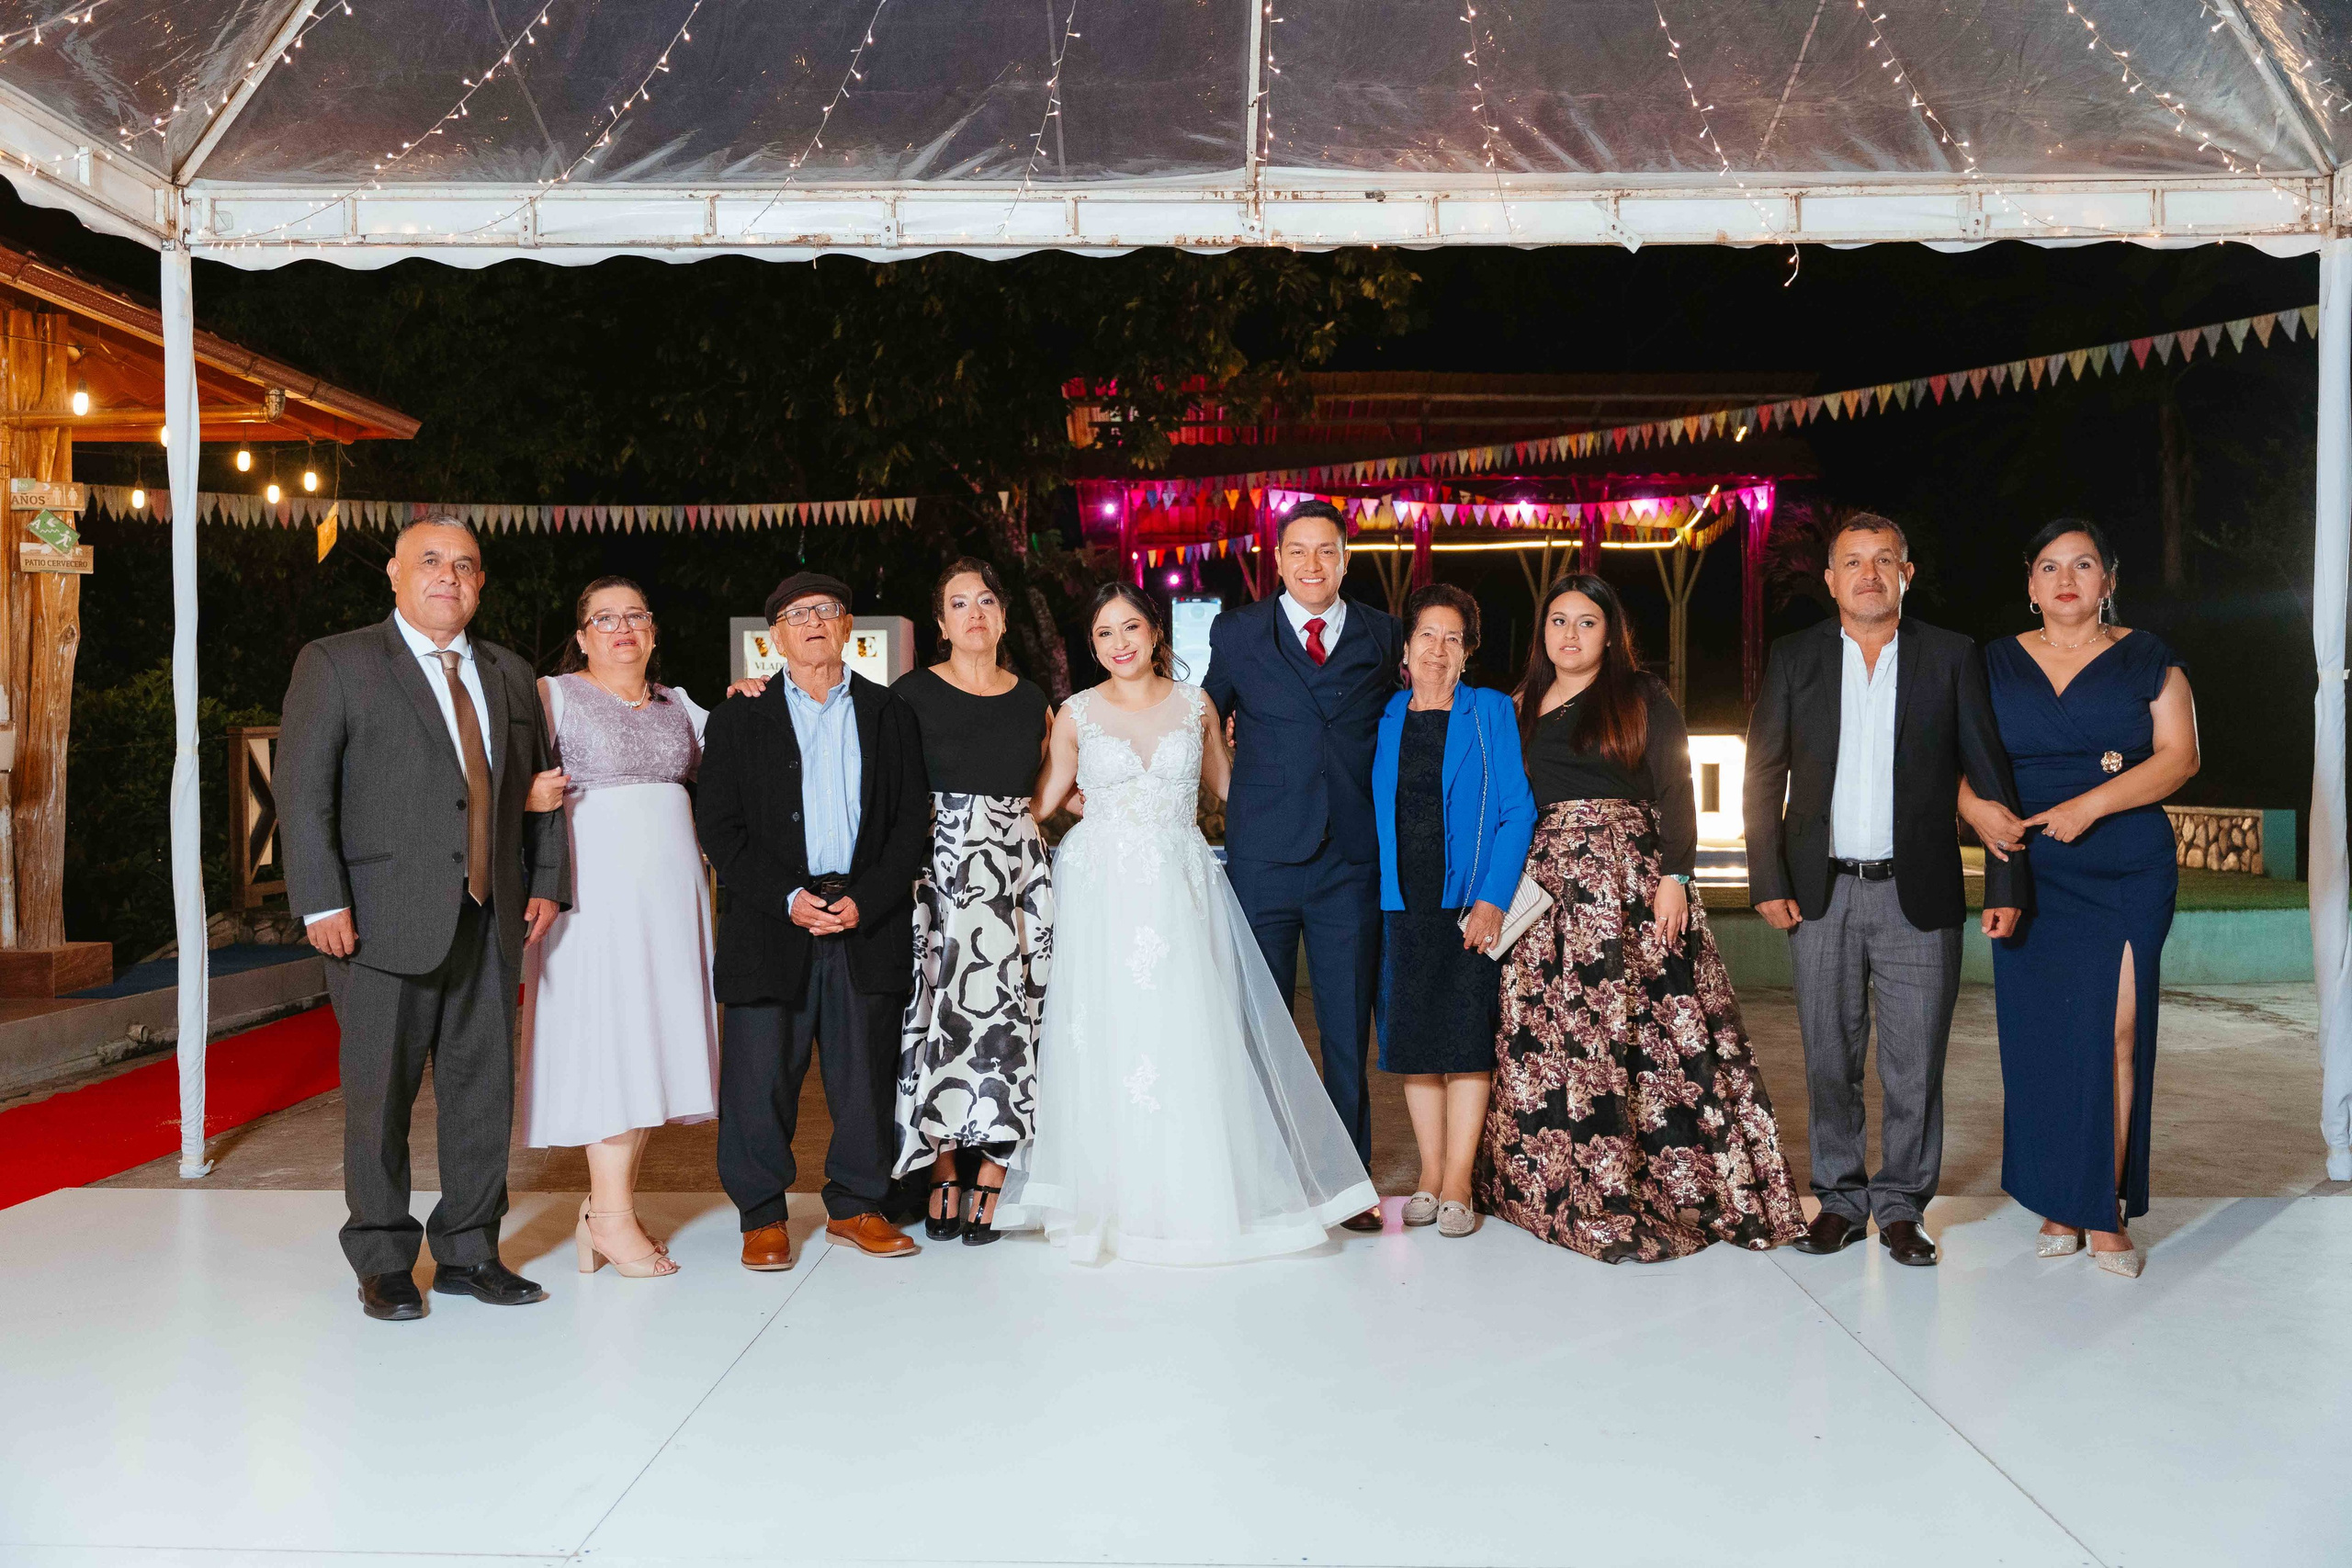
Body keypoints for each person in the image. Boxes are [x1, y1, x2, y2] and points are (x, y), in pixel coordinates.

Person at [998, 583, 1376, 1264]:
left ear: (1154, 632)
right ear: (1093, 646)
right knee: (1109, 1029)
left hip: (1181, 879)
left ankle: (1190, 1192)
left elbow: (1232, 790)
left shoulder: (1194, 704)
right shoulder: (1076, 713)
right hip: (1101, 887)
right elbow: (1045, 799)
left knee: (1187, 1025)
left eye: (1131, 626)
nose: (1120, 642)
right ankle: (1107, 1193)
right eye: (1106, 633)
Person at [277, 517, 570, 1323]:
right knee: (380, 1096)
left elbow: (536, 789)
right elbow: (304, 791)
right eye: (432, 561)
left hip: (489, 913)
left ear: (482, 584)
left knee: (482, 1095)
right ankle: (382, 1257)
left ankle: (470, 1249)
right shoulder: (337, 662)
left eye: (466, 565)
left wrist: (544, 879)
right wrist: (320, 897)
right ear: (396, 575)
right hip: (376, 919)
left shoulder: (509, 672)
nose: (450, 575)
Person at [1479, 575, 1804, 1261]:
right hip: (1545, 895)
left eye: (1587, 622)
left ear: (1611, 632)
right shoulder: (1517, 707)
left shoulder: (1641, 698)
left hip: (1630, 886)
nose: (1570, 634)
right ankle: (1550, 1187)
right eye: (1558, 620)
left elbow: (1676, 789)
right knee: (1550, 1037)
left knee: (1656, 1040)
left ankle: (1664, 1187)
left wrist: (1675, 877)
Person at [1745, 513, 2025, 1269]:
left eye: (1884, 560)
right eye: (1853, 561)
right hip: (1821, 893)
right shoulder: (1795, 658)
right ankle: (1839, 1197)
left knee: (1914, 1064)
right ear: (1830, 579)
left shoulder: (1950, 657)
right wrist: (1765, 875)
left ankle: (1903, 1206)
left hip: (1920, 896)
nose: (1869, 573)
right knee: (1828, 1057)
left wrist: (2006, 878)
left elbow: (1987, 774)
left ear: (1908, 573)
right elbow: (1764, 772)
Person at [1960, 521, 2198, 1279]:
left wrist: (2092, 806)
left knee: (2119, 1031)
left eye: (2083, 563)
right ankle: (2060, 1199)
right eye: (2049, 566)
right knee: (2047, 1042)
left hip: (2125, 865)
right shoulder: (1990, 663)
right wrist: (1972, 809)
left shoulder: (2148, 657)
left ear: (2108, 579)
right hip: (2032, 867)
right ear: (2030, 585)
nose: (2067, 578)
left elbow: (2181, 757)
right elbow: (1942, 757)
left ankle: (2106, 1210)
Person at [695, 571, 930, 1268]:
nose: (813, 622)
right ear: (776, 637)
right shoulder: (739, 715)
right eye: (796, 615)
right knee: (759, 1073)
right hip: (774, 918)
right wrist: (786, 897)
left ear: (848, 625)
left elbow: (910, 820)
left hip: (864, 915)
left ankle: (857, 1204)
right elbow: (721, 826)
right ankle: (762, 1215)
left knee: (864, 1072)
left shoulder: (890, 713)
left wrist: (870, 898)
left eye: (825, 610)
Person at [1202, 500, 1402, 1233]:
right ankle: (1266, 1178)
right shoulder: (1240, 630)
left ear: (1345, 559)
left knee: (1348, 1028)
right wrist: (1226, 785)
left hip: (1351, 858)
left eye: (1327, 551)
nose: (1312, 564)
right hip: (1263, 856)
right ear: (1278, 559)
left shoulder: (1383, 632)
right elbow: (1200, 715)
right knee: (1260, 1020)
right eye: (1298, 551)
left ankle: (1347, 1183)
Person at [517, 578, 719, 1280]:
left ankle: (606, 1209)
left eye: (636, 614)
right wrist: (527, 795)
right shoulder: (554, 695)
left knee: (648, 1046)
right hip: (593, 893)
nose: (622, 627)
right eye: (605, 618)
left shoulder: (682, 706)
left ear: (654, 630)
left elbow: (741, 763)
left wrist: (761, 694)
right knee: (608, 1040)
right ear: (582, 635)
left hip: (671, 898)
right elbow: (489, 773)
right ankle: (608, 1216)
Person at [888, 559, 1055, 1245]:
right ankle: (942, 1168)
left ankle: (995, 1169)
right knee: (937, 1018)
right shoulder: (910, 695)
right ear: (942, 623)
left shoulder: (1034, 699)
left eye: (986, 600)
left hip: (1017, 877)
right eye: (959, 603)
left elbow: (1050, 788)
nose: (975, 613)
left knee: (1013, 1021)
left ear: (1004, 617)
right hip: (941, 874)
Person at [1370, 584, 1533, 1238]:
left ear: (1467, 653)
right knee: (1414, 1045)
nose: (1438, 649)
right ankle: (1430, 1177)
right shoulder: (1385, 715)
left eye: (1452, 638)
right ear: (1406, 648)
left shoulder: (1490, 711)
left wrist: (1493, 897)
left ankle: (1461, 1179)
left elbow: (1516, 808)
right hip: (1401, 901)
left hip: (1469, 904)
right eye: (1426, 636)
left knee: (1465, 1043)